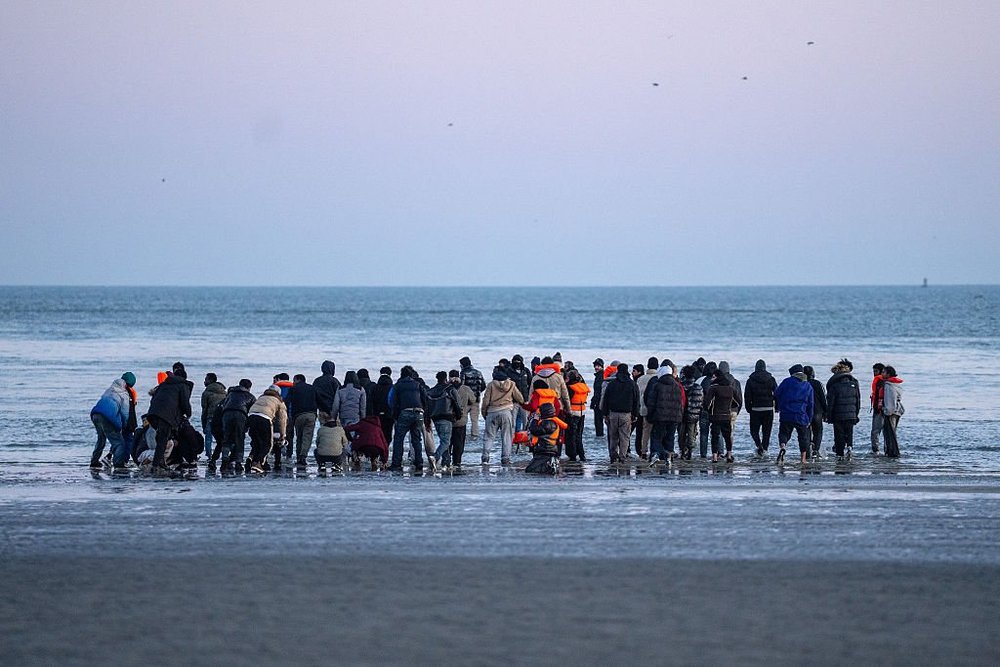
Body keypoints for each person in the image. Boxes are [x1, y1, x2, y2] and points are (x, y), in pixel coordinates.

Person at [147, 363, 193, 474]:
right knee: (163, 439)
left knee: (161, 438)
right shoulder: (182, 385)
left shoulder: (164, 384)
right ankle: (156, 465)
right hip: (165, 416)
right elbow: (184, 402)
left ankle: (161, 461)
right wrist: (188, 413)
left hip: (153, 413)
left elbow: (154, 398)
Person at [90, 372, 136, 470]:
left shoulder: (110, 389)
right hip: (107, 417)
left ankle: (94, 462)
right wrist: (124, 426)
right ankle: (118, 464)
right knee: (118, 442)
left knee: (101, 439)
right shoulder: (124, 394)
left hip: (96, 414)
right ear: (128, 385)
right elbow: (125, 413)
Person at [480, 367, 525, 465]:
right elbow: (520, 398)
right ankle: (505, 458)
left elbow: (485, 401)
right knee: (507, 437)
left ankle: (485, 457)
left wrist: (484, 413)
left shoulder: (491, 385)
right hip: (506, 412)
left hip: (492, 412)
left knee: (489, 436)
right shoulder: (512, 384)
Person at [389, 366, 428, 471]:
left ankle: (396, 463)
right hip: (419, 413)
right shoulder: (418, 384)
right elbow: (425, 398)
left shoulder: (398, 385)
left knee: (398, 439)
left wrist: (395, 413)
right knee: (416, 439)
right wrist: (423, 411)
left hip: (405, 412)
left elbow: (391, 401)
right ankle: (419, 462)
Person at [644, 362, 685, 463]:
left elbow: (651, 402)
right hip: (674, 417)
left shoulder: (657, 385)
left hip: (659, 417)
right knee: (670, 437)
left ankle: (655, 454)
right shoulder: (677, 386)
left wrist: (650, 416)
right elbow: (680, 403)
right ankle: (668, 456)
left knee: (656, 436)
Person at [774, 364, 814, 464]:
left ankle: (783, 447)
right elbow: (811, 404)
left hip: (786, 413)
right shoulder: (807, 385)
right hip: (801, 415)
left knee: (784, 433)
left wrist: (779, 407)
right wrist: (809, 418)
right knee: (803, 437)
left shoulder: (786, 381)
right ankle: (803, 459)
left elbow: (777, 394)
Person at [600, 364, 639, 463]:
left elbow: (606, 400)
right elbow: (636, 401)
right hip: (626, 415)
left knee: (613, 436)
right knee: (625, 437)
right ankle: (622, 457)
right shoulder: (632, 384)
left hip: (613, 414)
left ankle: (613, 456)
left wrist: (605, 414)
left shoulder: (612, 384)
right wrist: (635, 414)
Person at [246, 384, 288, 473]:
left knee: (256, 442)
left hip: (251, 416)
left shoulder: (261, 397)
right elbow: (282, 420)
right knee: (267, 444)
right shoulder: (279, 401)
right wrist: (282, 435)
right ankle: (257, 463)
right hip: (264, 418)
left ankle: (251, 458)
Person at [825, 359, 861, 460]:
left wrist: (829, 415)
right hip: (851, 414)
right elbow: (858, 400)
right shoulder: (854, 383)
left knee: (839, 435)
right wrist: (856, 413)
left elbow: (831, 402)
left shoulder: (834, 385)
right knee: (849, 432)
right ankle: (849, 448)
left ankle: (840, 454)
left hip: (838, 415)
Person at [217, 379, 255, 471]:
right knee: (239, 439)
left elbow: (224, 405)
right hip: (240, 416)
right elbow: (253, 411)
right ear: (249, 387)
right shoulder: (250, 396)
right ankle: (238, 463)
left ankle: (224, 460)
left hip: (226, 415)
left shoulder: (231, 394)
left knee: (226, 438)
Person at [426, 371, 462, 469]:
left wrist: (427, 420)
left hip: (435, 418)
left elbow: (427, 408)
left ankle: (445, 463)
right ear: (445, 378)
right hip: (447, 417)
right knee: (446, 442)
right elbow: (458, 403)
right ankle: (435, 457)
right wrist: (459, 415)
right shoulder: (450, 389)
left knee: (443, 441)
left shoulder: (430, 391)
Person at [703, 368, 740, 463]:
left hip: (715, 416)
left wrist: (708, 410)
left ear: (717, 378)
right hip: (726, 415)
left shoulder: (713, 388)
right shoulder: (730, 388)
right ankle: (729, 455)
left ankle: (715, 457)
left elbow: (707, 402)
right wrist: (729, 406)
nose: (712, 378)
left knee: (715, 436)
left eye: (713, 377)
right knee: (727, 437)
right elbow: (737, 402)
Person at [744, 360, 777, 457]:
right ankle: (765, 450)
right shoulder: (771, 379)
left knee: (754, 431)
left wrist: (748, 408)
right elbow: (777, 393)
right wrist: (777, 407)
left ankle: (759, 446)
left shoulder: (750, 380)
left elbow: (747, 396)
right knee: (767, 432)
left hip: (756, 409)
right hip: (768, 408)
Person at [525, 403, 566, 475]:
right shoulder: (549, 422)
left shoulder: (549, 423)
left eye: (540, 412)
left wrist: (535, 420)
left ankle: (550, 465)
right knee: (532, 470)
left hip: (546, 452)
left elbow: (534, 430)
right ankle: (550, 465)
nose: (539, 414)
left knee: (530, 470)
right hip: (544, 451)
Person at [288, 373, 318, 467]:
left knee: (299, 437)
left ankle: (298, 458)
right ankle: (303, 456)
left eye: (294, 380)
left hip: (298, 416)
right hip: (311, 415)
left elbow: (287, 401)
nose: (293, 382)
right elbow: (320, 400)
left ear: (297, 380)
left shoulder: (293, 389)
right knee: (307, 437)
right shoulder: (312, 388)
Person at [448, 370, 476, 466]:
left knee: (447, 442)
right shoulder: (465, 389)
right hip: (461, 420)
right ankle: (457, 462)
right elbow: (473, 400)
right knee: (459, 442)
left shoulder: (446, 388)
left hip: (448, 419)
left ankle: (446, 461)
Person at [635, 357, 659, 460]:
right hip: (657, 410)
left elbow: (638, 394)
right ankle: (656, 452)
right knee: (657, 432)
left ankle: (643, 452)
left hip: (643, 409)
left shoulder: (641, 379)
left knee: (645, 432)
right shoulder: (659, 377)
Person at [564, 367, 591, 462]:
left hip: (572, 413)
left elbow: (567, 400)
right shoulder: (583, 386)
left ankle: (572, 455)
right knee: (579, 435)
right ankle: (582, 455)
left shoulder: (570, 388)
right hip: (582, 412)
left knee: (571, 435)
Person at [200, 373, 227, 462]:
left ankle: (209, 457)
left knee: (208, 438)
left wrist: (203, 424)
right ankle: (225, 456)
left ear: (210, 380)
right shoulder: (224, 392)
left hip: (211, 417)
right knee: (223, 438)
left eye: (206, 379)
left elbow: (204, 409)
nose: (204, 381)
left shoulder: (206, 393)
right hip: (222, 418)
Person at [880, 366, 905, 458]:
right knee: (892, 432)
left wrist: (887, 412)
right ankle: (892, 452)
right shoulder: (896, 385)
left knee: (890, 433)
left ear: (888, 374)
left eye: (883, 372)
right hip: (897, 411)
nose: (882, 374)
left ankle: (892, 453)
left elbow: (890, 401)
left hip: (891, 412)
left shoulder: (888, 385)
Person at [804, 366, 829, 459]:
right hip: (817, 411)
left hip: (805, 412)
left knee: (806, 432)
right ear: (812, 374)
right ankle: (815, 450)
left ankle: (807, 451)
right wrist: (826, 411)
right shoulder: (817, 384)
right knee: (818, 431)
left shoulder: (802, 384)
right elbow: (823, 398)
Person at [679, 365, 703, 460]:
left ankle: (682, 451)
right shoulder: (698, 387)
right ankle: (690, 451)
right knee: (691, 434)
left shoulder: (680, 386)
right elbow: (701, 401)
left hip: (682, 414)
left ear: (684, 374)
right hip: (693, 414)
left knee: (681, 434)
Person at [459, 357, 487, 439]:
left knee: (463, 418)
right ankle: (475, 436)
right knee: (475, 420)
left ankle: (462, 435)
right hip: (476, 399)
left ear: (462, 365)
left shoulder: (463, 373)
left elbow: (461, 386)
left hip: (466, 400)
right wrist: (477, 392)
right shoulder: (478, 372)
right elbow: (483, 385)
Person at [507, 355, 532, 431]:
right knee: (512, 421)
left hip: (525, 400)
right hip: (513, 401)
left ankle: (525, 437)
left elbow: (530, 383)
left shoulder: (526, 371)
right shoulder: (508, 371)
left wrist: (529, 396)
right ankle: (513, 437)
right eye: (515, 361)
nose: (517, 363)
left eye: (518, 361)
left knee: (526, 420)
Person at [698, 361, 718, 458]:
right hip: (716, 410)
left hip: (704, 410)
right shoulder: (719, 380)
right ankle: (720, 453)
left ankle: (703, 454)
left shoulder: (702, 380)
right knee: (718, 433)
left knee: (704, 433)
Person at [371, 367, 394, 444]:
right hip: (389, 415)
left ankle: (378, 452)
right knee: (388, 435)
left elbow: (372, 401)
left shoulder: (375, 387)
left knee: (378, 434)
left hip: (377, 415)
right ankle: (385, 452)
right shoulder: (393, 387)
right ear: (390, 375)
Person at [313, 360, 341, 425]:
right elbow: (339, 394)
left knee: (323, 430)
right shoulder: (334, 381)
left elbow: (313, 395)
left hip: (322, 410)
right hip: (333, 411)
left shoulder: (317, 381)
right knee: (336, 430)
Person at [869, 362, 886, 454]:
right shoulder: (885, 381)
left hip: (879, 410)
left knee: (875, 431)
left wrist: (879, 408)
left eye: (875, 371)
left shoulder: (880, 381)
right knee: (885, 432)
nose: (874, 373)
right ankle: (885, 450)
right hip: (883, 409)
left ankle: (875, 450)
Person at [590, 358, 605, 437]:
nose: (596, 367)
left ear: (602, 366)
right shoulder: (600, 375)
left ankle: (600, 435)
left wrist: (594, 402)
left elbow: (598, 391)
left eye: (598, 366)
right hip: (601, 401)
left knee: (598, 421)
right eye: (595, 366)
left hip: (599, 401)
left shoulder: (600, 376)